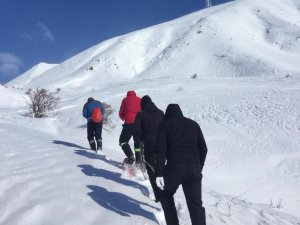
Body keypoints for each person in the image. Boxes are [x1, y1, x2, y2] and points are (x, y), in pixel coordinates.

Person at [155, 104, 207, 225]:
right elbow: (203, 149)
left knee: (165, 194)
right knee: (195, 205)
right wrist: (199, 166)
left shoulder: (165, 125)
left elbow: (161, 150)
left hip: (175, 168)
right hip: (194, 169)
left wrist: (159, 172)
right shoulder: (194, 124)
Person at [134, 95, 164, 201]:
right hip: (162, 146)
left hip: (149, 146)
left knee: (151, 170)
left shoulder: (140, 114)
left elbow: (137, 134)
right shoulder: (160, 113)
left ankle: (158, 194)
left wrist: (138, 151)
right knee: (161, 169)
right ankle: (165, 192)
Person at [119, 90, 141, 165]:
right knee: (138, 143)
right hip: (139, 124)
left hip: (129, 123)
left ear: (128, 95)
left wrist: (124, 118)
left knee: (123, 141)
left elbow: (121, 113)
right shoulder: (140, 99)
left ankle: (130, 156)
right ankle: (139, 162)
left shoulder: (125, 100)